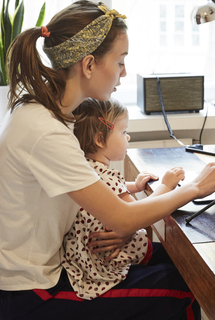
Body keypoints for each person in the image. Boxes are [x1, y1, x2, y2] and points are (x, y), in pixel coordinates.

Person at [0, 1, 215, 319]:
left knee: (179, 260)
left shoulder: (45, 111)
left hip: (39, 275)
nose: (124, 72)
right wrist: (193, 187)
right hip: (33, 296)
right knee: (185, 287)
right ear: (88, 65)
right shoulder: (46, 131)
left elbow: (102, 203)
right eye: (120, 61)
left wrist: (127, 214)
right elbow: (122, 220)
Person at [62, 97, 186, 300]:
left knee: (171, 257)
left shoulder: (87, 169)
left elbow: (109, 191)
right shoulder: (105, 177)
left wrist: (135, 186)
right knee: (179, 270)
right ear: (100, 139)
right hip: (104, 271)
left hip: (85, 262)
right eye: (123, 132)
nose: (127, 138)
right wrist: (166, 185)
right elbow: (143, 213)